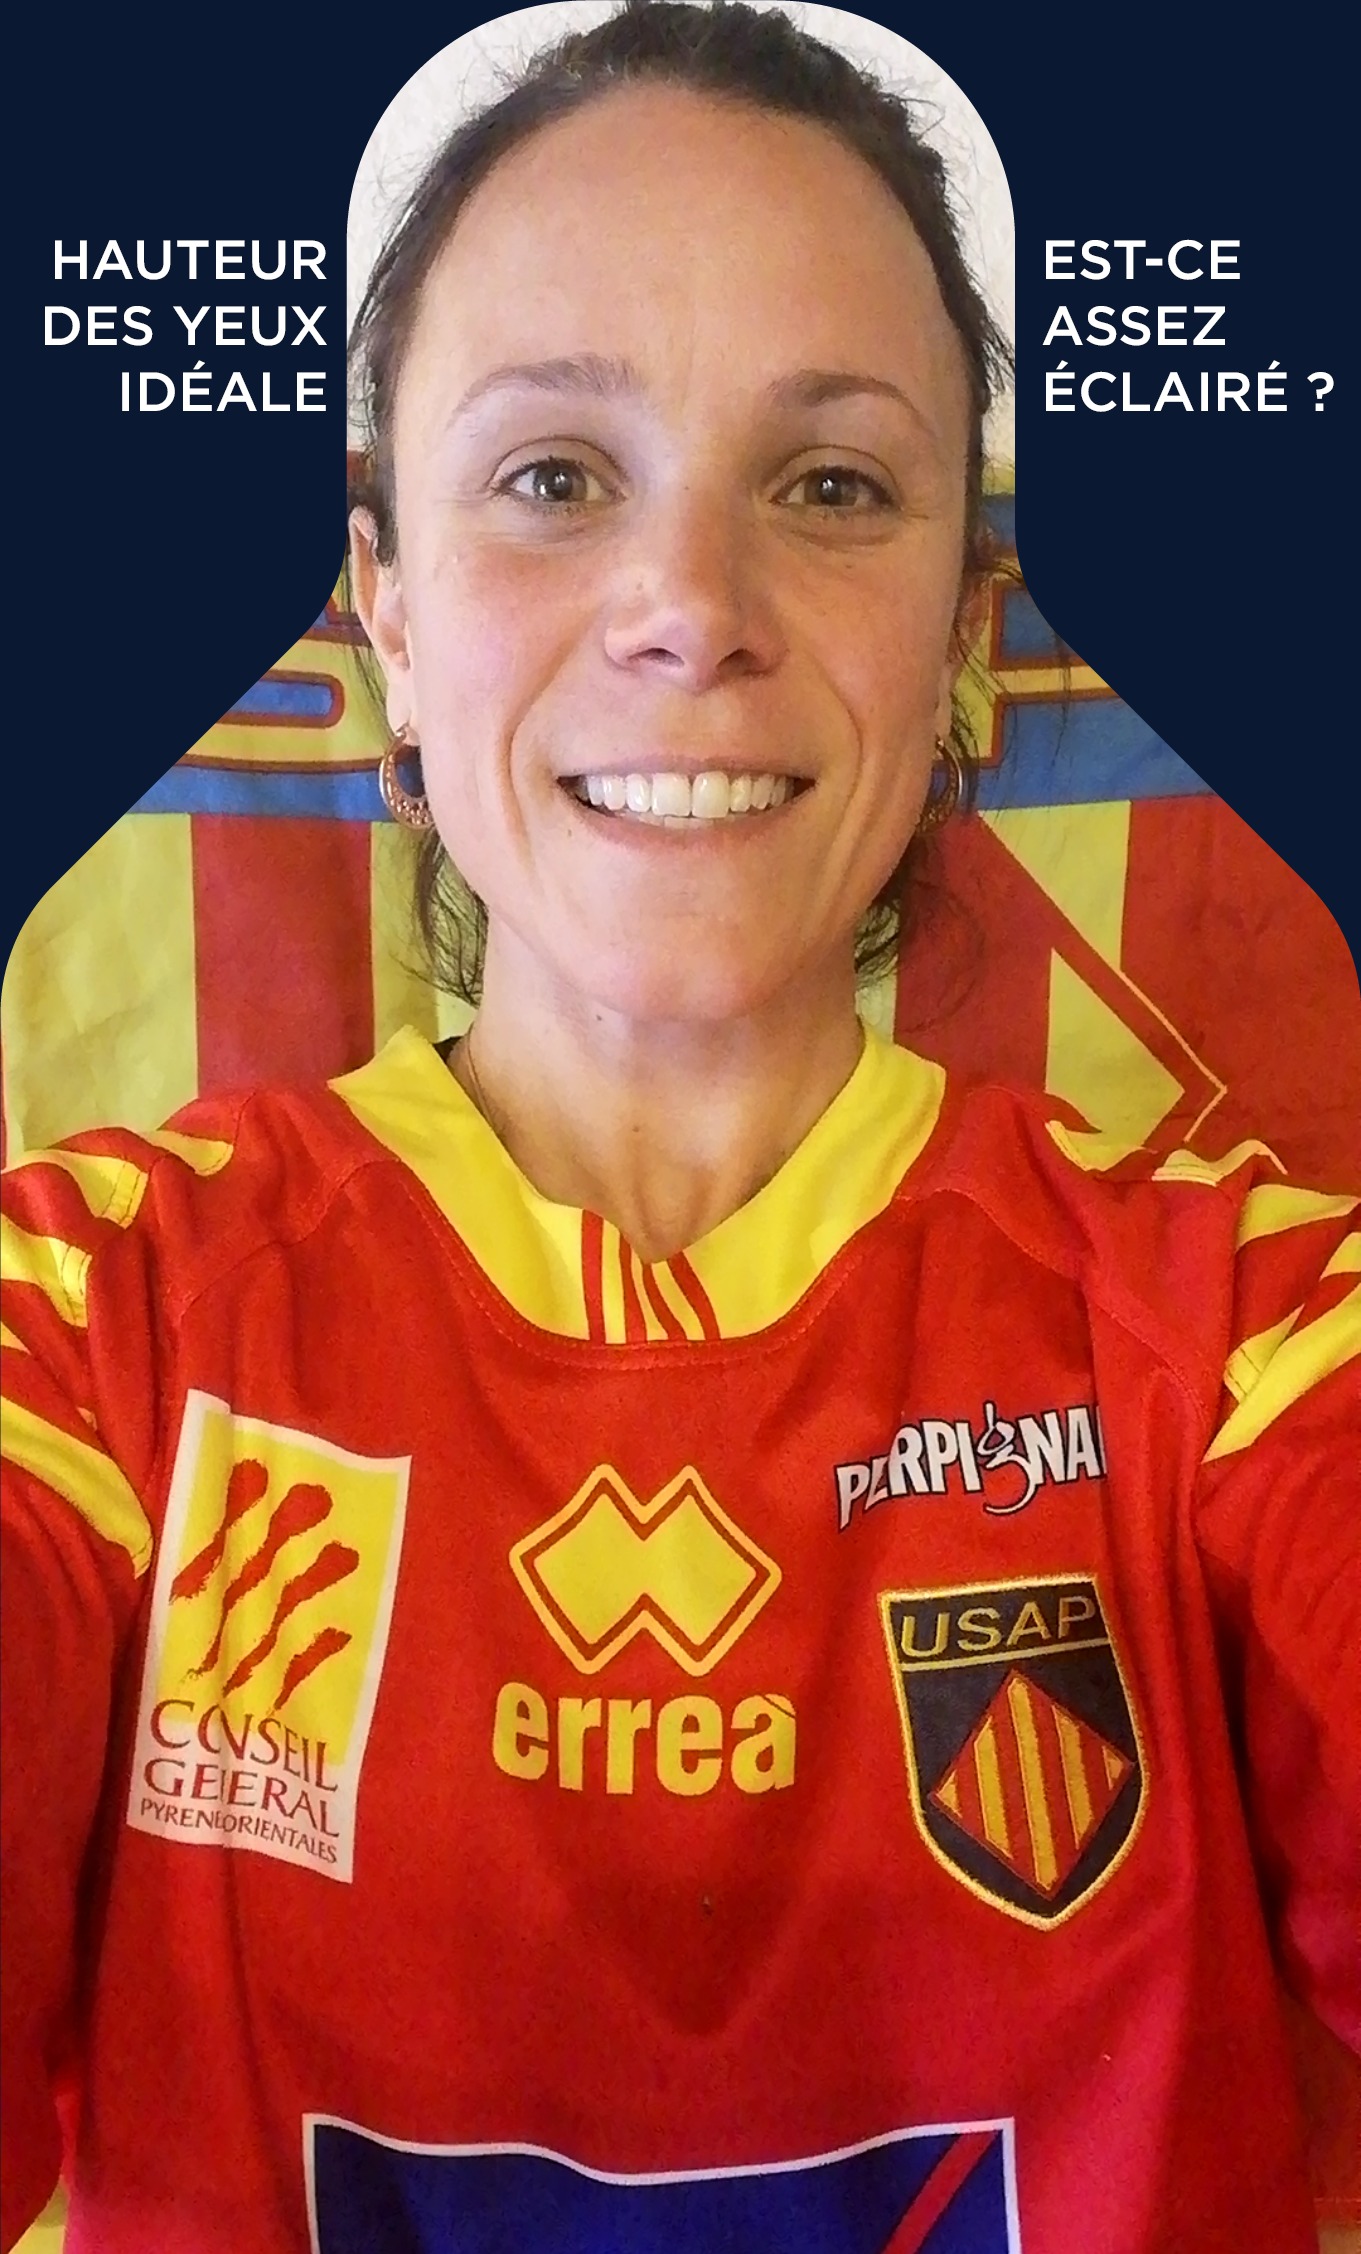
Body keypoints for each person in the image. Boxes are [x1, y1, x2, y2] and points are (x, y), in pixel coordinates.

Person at [2, 5, 1356, 2251]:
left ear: (962, 642)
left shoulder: (1249, 1328)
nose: (691, 613)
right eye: (554, 477)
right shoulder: (94, 1325)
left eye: (830, 487)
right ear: (387, 615)